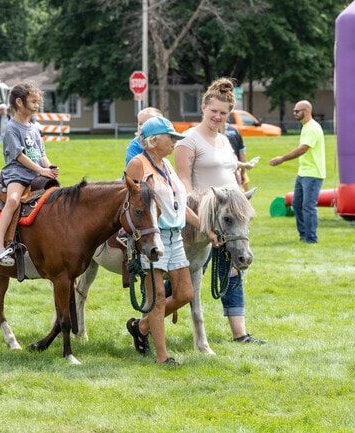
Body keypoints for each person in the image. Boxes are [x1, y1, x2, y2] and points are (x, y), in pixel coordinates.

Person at [174, 77, 265, 344]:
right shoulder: (187, 140)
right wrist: (202, 220)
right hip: (201, 219)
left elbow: (232, 175)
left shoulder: (225, 141)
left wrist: (239, 201)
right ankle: (148, 321)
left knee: (234, 270)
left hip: (229, 219)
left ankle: (240, 334)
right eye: (213, 111)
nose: (217, 116)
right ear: (203, 108)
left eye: (223, 113)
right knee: (186, 280)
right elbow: (184, 183)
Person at [125, 116, 204, 365]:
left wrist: (206, 227)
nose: (174, 143)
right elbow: (132, 204)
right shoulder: (138, 164)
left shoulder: (167, 165)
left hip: (175, 236)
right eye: (171, 138)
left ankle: (142, 326)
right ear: (154, 140)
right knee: (157, 296)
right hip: (152, 238)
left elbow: (178, 205)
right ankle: (162, 356)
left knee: (185, 293)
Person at [0, 82, 59, 266]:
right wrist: (41, 170)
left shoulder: (34, 127)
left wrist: (49, 168)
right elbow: (19, 156)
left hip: (37, 174)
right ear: (19, 102)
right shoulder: (12, 128)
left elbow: (41, 153)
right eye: (33, 101)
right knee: (12, 200)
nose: (37, 105)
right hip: (18, 174)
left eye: (38, 102)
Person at [269, 100, 326, 244]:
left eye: (297, 111)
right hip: (303, 173)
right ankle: (303, 235)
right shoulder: (306, 127)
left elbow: (303, 149)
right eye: (294, 111)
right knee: (297, 203)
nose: (294, 113)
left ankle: (311, 238)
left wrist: (282, 158)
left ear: (306, 111)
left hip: (313, 174)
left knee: (308, 206)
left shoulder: (313, 128)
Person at [225, 122, 250, 191]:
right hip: (236, 168)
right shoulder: (235, 130)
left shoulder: (212, 132)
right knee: (244, 190)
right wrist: (243, 172)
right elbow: (242, 153)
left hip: (223, 170)